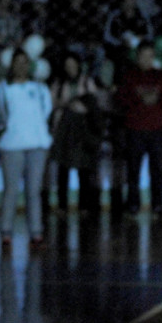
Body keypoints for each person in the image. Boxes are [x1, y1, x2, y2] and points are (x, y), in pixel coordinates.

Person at [0, 48, 53, 251]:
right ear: (11, 65)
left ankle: (36, 232)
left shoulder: (40, 89)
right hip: (12, 145)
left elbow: (46, 111)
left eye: (25, 62)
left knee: (34, 191)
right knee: (11, 190)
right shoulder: (2, 90)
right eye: (18, 62)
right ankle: (6, 232)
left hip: (37, 145)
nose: (22, 66)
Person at [114, 41, 162, 218]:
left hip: (157, 129)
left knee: (157, 169)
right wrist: (139, 100)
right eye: (143, 56)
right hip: (135, 129)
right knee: (133, 169)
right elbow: (120, 99)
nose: (147, 59)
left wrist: (157, 99)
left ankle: (158, 204)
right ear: (138, 57)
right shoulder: (129, 76)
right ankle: (133, 203)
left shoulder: (161, 76)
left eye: (150, 56)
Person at [49, 51, 104, 219]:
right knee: (63, 168)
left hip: (83, 129)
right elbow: (51, 104)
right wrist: (66, 104)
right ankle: (62, 205)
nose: (70, 69)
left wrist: (83, 105)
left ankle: (84, 205)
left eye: (73, 65)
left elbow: (95, 105)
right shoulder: (58, 84)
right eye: (67, 66)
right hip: (64, 129)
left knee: (84, 169)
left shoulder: (87, 82)